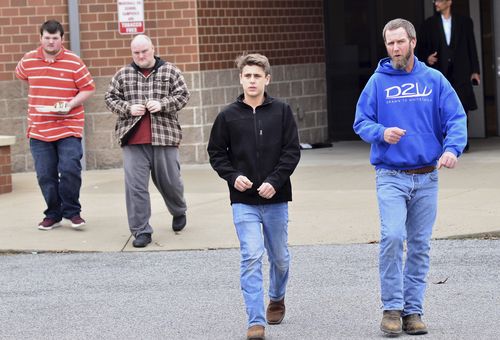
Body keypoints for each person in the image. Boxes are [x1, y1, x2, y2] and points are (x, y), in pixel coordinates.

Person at [353, 18, 467, 336]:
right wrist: (381, 132)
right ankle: (392, 308)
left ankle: (413, 311)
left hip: (427, 176)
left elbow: (456, 118)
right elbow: (361, 122)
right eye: (390, 43)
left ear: (412, 42)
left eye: (400, 42)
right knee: (392, 237)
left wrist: (452, 149)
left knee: (419, 245)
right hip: (391, 175)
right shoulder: (377, 83)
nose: (395, 48)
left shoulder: (433, 80)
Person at [207, 53, 300, 340]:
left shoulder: (282, 111)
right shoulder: (228, 116)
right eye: (247, 75)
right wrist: (234, 177)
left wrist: (275, 180)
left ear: (267, 79)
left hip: (276, 198)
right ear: (240, 79)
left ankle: (276, 296)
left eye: (257, 76)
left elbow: (292, 151)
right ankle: (255, 320)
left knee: (280, 258)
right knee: (250, 256)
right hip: (244, 201)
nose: (252, 80)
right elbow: (216, 153)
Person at [104, 35, 190, 248]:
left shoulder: (171, 71)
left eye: (144, 51)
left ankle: (178, 210)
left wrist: (162, 104)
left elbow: (183, 95)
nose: (141, 56)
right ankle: (141, 231)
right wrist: (127, 109)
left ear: (153, 49)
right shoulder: (123, 74)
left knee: (171, 182)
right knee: (135, 188)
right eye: (136, 52)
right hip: (133, 140)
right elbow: (109, 98)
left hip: (165, 137)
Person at [15, 20, 95, 230]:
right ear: (40, 38)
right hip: (39, 127)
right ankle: (53, 213)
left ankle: (72, 212)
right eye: (47, 38)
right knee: (45, 175)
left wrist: (69, 104)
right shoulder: (28, 60)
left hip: (68, 125)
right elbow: (23, 75)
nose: (51, 42)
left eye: (55, 38)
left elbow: (88, 88)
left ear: (62, 38)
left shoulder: (74, 61)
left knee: (70, 169)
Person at [416, 0, 480, 152]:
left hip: (461, 71)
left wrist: (475, 70)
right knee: (440, 108)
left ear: (449, 2)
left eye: (438, 0)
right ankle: (445, 142)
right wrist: (427, 58)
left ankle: (462, 141)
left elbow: (471, 46)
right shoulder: (429, 24)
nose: (435, 3)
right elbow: (421, 48)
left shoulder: (465, 22)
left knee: (463, 107)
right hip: (439, 71)